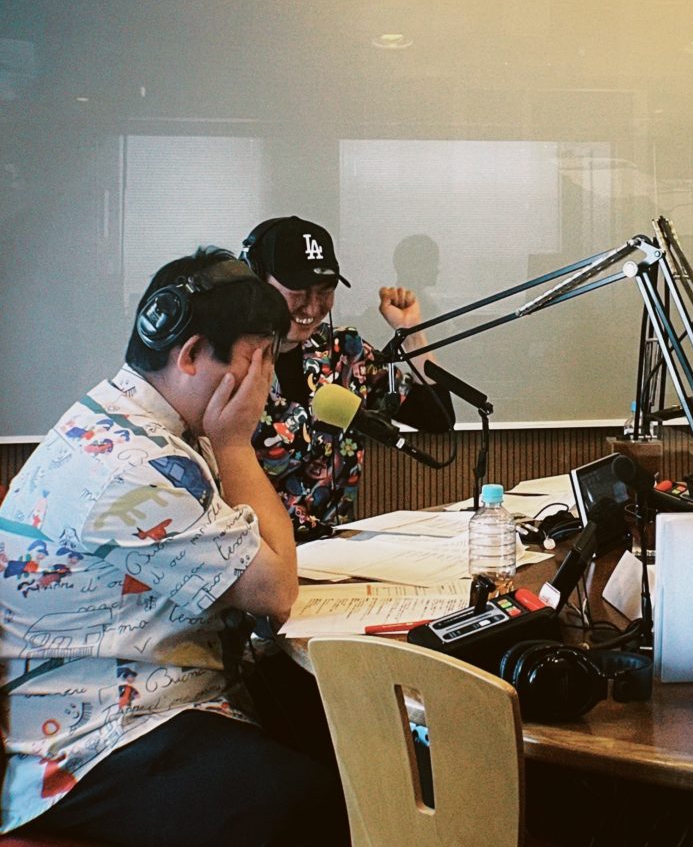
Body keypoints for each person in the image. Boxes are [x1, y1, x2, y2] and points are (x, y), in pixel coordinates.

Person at [0, 249, 342, 845]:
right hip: (91, 743)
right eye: (259, 359)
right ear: (190, 355)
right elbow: (274, 591)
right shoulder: (131, 465)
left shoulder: (130, 418)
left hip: (152, 695)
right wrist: (235, 445)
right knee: (315, 802)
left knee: (334, 738)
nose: (265, 382)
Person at [240, 216, 454, 540]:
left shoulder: (345, 351)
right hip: (256, 555)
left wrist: (412, 333)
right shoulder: (225, 365)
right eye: (298, 291)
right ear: (257, 282)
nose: (313, 307)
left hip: (336, 552)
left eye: (324, 291)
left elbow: (438, 417)